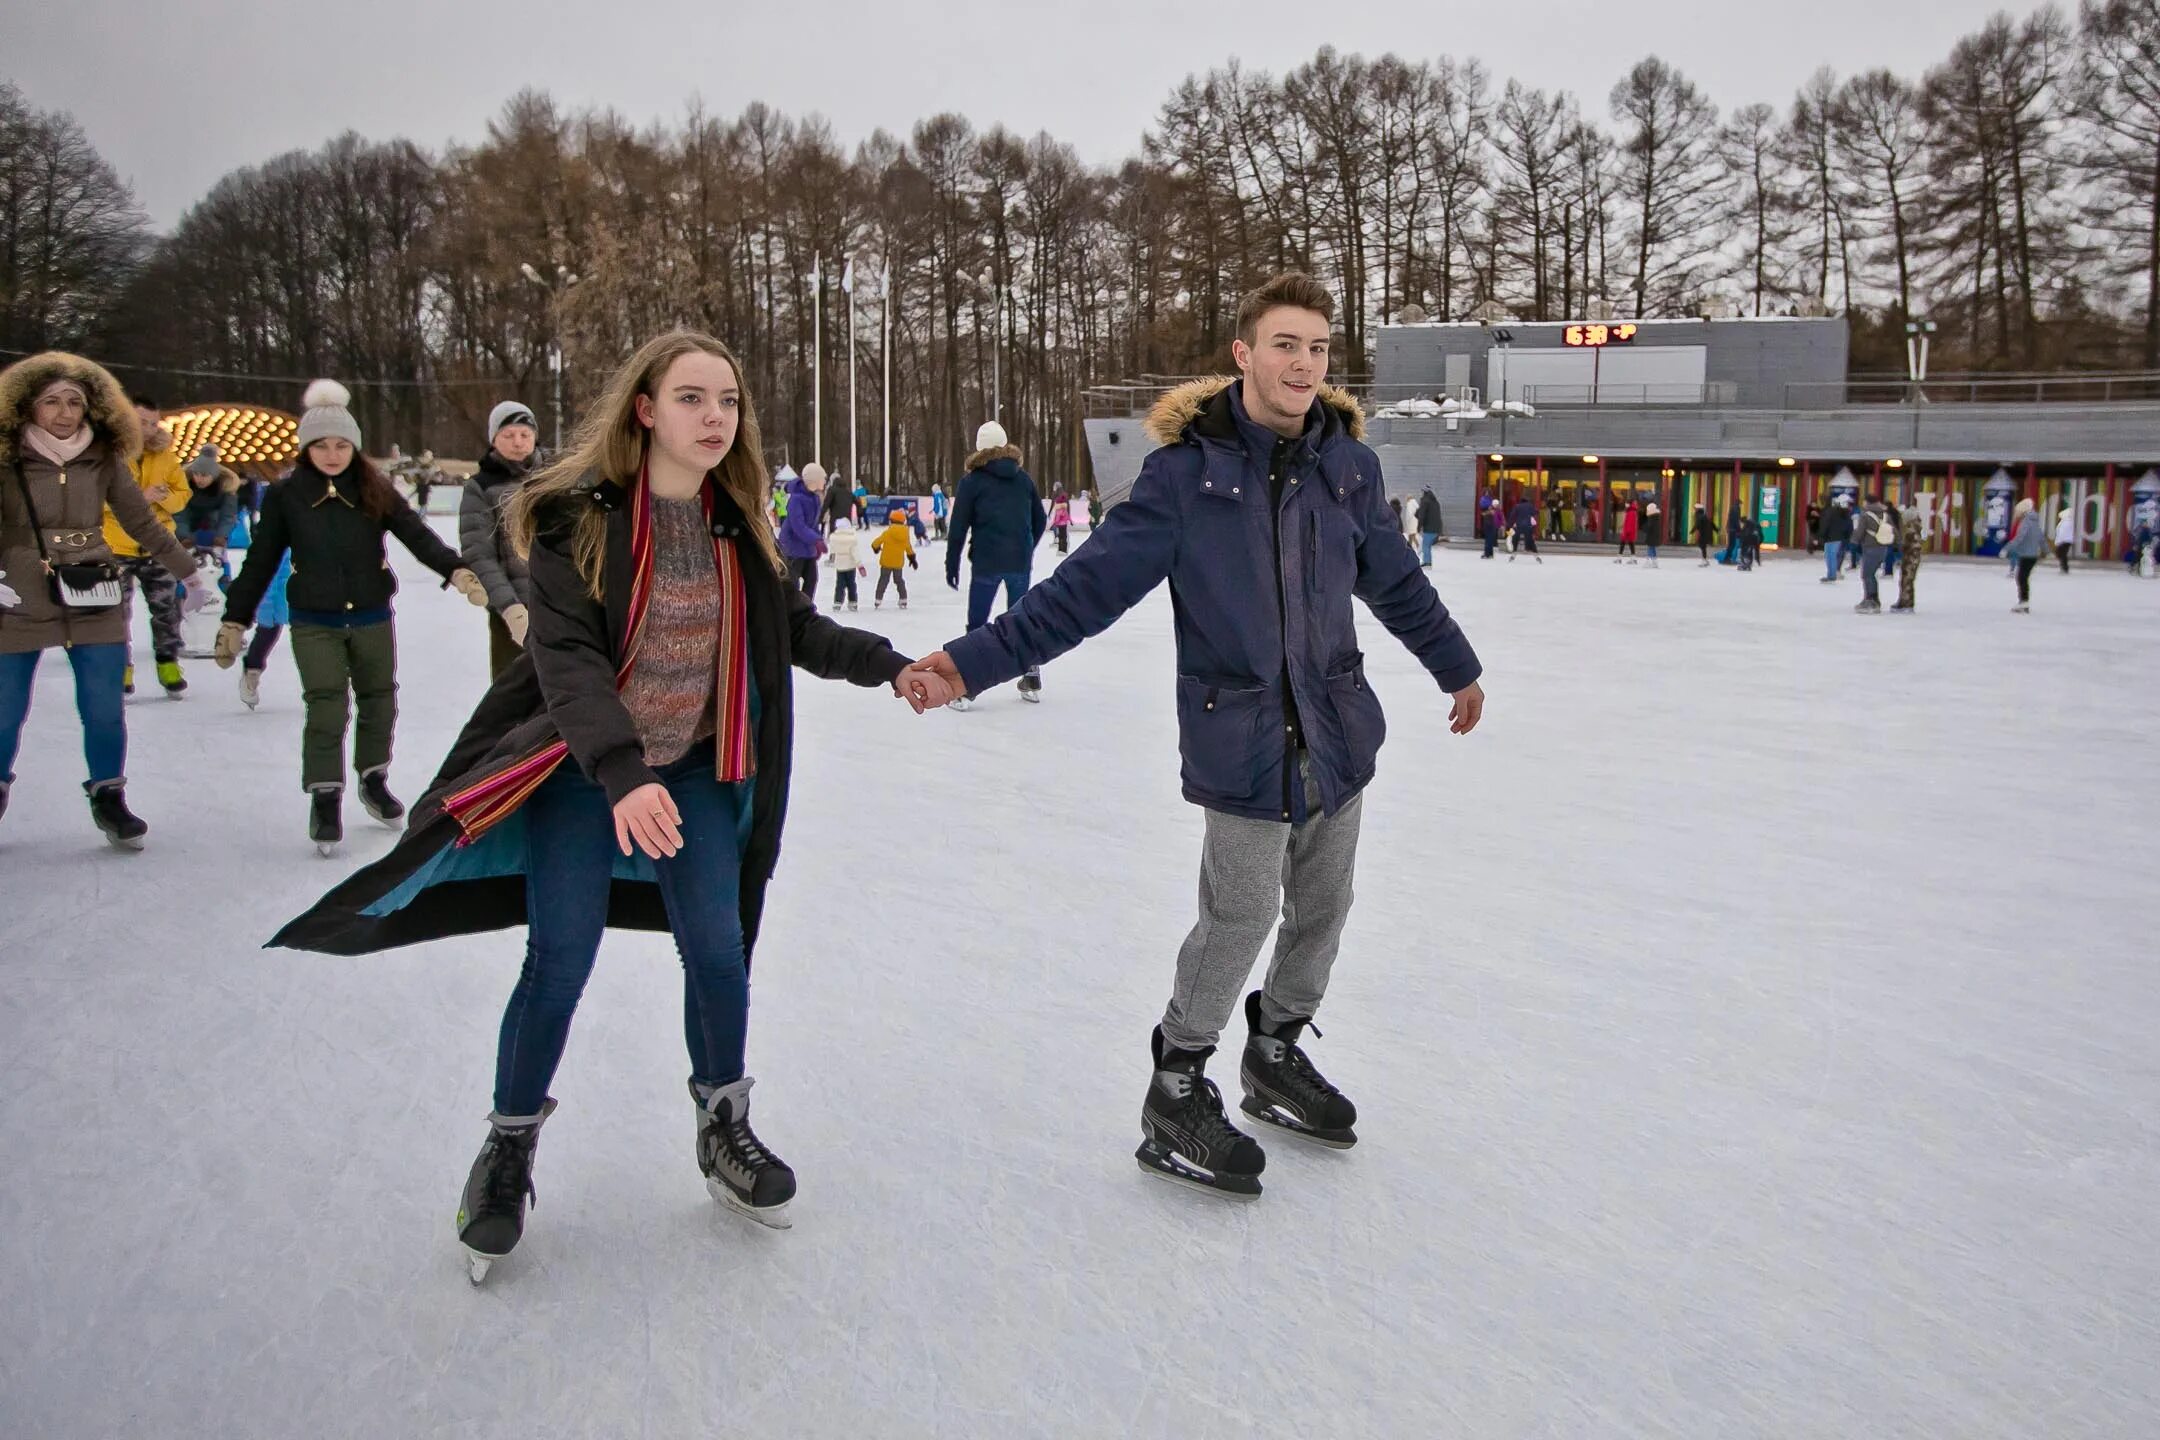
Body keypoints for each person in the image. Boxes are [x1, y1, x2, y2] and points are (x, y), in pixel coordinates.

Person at [266, 331, 953, 1279]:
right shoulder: (574, 522)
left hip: (700, 772)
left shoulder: (734, 521)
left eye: (727, 401)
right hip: (585, 773)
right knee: (560, 957)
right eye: (691, 399)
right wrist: (623, 773)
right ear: (645, 408)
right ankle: (507, 1147)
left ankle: (723, 1123)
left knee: (719, 948)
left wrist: (888, 665)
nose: (715, 418)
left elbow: (787, 626)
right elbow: (570, 666)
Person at [908, 272, 1485, 1200]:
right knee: (1240, 915)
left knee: (1325, 907)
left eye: (1319, 348)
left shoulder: (1348, 466)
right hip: (1245, 738)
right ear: (1244, 355)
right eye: (1285, 344)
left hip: (1336, 729)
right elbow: (1082, 593)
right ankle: (1176, 1084)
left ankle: (1276, 1053)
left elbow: (1396, 582)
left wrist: (1454, 662)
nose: (1304, 363)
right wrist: (970, 663)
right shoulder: (1187, 476)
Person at [213, 380, 489, 849]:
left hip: (371, 614)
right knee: (326, 704)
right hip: (313, 619)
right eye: (321, 445)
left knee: (379, 699)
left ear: (355, 447)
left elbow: (415, 534)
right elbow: (260, 560)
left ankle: (373, 776)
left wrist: (457, 571)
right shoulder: (286, 497)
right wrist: (235, 619)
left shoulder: (373, 488)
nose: (332, 454)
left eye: (342, 445)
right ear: (306, 449)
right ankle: (325, 794)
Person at [0, 353, 219, 844]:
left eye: (74, 401)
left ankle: (109, 796)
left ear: (92, 407)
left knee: (103, 706)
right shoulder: (6, 455)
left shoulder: (102, 457)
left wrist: (192, 577)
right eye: (51, 401)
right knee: (5, 710)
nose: (64, 412)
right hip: (18, 589)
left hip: (90, 585)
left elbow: (141, 521)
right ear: (26, 407)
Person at [945, 420, 1047, 706]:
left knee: (978, 622)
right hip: (1018, 562)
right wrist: (1026, 546)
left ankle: (967, 686)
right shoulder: (1023, 478)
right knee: (1021, 619)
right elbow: (1040, 520)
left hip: (987, 562)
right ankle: (1031, 676)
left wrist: (951, 564)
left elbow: (958, 527)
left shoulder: (972, 482)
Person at [105, 393, 191, 696]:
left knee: (166, 608)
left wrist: (165, 497)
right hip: (117, 545)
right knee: (117, 613)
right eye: (141, 422)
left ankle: (168, 662)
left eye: (153, 423)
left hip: (158, 545)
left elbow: (182, 497)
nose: (148, 429)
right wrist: (139, 499)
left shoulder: (166, 457)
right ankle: (122, 669)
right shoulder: (107, 454)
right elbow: (92, 500)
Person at [460, 401, 541, 679]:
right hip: (512, 611)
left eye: (525, 435)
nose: (518, 442)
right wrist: (509, 607)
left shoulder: (554, 478)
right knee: (512, 692)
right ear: (494, 439)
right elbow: (479, 553)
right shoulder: (480, 487)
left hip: (559, 606)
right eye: (509, 435)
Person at [775, 462, 826, 600]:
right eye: (823, 478)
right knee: (793, 582)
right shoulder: (796, 499)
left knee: (812, 580)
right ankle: (791, 610)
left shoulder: (814, 498)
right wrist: (815, 540)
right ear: (813, 480)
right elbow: (798, 526)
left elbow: (813, 524)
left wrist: (818, 540)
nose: (825, 481)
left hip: (806, 548)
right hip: (792, 548)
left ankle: (806, 609)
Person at [181, 444, 240, 562]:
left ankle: (224, 572)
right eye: (196, 474)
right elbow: (178, 513)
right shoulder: (183, 488)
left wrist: (220, 537)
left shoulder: (226, 489)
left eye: (204, 475)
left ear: (213, 476)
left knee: (219, 558)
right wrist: (184, 537)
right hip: (188, 529)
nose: (199, 479)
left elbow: (228, 516)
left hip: (214, 527)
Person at [1854, 494, 1895, 614]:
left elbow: (1860, 531)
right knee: (1871, 574)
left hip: (1870, 547)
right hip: (1883, 548)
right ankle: (1874, 599)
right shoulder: (1885, 514)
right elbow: (1893, 530)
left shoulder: (1865, 515)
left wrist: (1854, 541)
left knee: (1867, 574)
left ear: (1867, 502)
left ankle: (1870, 600)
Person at [2005, 497, 2044, 613]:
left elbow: (2020, 537)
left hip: (2027, 554)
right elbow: (2041, 538)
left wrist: (2007, 548)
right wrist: (2047, 551)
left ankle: (2023, 602)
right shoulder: (2034, 521)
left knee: (2021, 578)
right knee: (2022, 577)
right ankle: (2024, 602)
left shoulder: (2026, 522)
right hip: (2031, 555)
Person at [872, 508, 917, 608]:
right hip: (898, 563)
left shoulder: (887, 533)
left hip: (886, 562)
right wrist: (912, 558)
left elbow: (875, 543)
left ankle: (878, 599)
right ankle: (903, 599)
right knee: (899, 580)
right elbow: (908, 547)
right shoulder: (905, 534)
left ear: (891, 521)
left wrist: (876, 548)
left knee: (883, 580)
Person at [1890, 509, 1925, 613]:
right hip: (1911, 557)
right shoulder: (1917, 527)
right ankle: (1904, 601)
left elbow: (1910, 544)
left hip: (1910, 557)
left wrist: (1901, 547)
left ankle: (1906, 603)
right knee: (1906, 580)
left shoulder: (1911, 528)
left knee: (1906, 581)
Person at [828, 517, 863, 610]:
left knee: (840, 584)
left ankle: (837, 602)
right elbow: (855, 553)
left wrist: (832, 558)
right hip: (851, 566)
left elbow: (832, 550)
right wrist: (860, 565)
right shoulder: (852, 539)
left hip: (840, 565)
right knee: (851, 584)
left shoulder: (834, 538)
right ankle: (852, 602)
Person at [1818, 495, 1854, 581]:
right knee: (1836, 556)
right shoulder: (1846, 513)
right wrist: (1848, 536)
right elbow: (1850, 526)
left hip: (1830, 537)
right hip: (1841, 538)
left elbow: (1825, 524)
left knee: (1830, 557)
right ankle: (1834, 573)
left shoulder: (1830, 512)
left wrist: (1821, 535)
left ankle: (1831, 575)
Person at [1507, 494, 1542, 563]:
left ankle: (1513, 554)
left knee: (1515, 539)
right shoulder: (1530, 506)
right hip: (1528, 526)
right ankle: (1536, 556)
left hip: (1519, 526)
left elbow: (1512, 515)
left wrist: (1510, 525)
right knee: (1531, 541)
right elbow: (1536, 512)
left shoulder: (1517, 506)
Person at [1415, 485, 1444, 567]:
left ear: (1424, 492)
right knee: (1427, 545)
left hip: (1429, 528)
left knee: (1425, 545)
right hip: (1436, 527)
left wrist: (1418, 527)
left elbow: (1422, 515)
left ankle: (1427, 562)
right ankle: (1427, 561)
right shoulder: (1435, 502)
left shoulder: (1425, 501)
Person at [1614, 498, 1640, 563]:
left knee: (1624, 544)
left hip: (1628, 531)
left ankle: (1619, 558)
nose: (1626, 504)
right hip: (1629, 531)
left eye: (1627, 503)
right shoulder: (1631, 511)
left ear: (1630, 504)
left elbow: (1630, 523)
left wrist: (1626, 532)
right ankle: (1633, 559)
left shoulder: (1631, 512)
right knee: (1631, 544)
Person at [1693, 501, 1716, 566]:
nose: (1694, 509)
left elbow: (1697, 524)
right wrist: (1716, 529)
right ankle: (1705, 560)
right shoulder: (1703, 515)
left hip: (1704, 534)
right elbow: (1711, 523)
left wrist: (1693, 530)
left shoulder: (1699, 515)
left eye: (1695, 508)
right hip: (1705, 533)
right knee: (1702, 546)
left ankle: (1704, 560)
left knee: (1702, 546)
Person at [2054, 504, 2075, 574]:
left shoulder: (2065, 522)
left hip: (2064, 541)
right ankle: (2064, 567)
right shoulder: (2067, 522)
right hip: (2066, 540)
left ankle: (2064, 568)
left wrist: (2058, 541)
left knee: (2061, 554)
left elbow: (2062, 533)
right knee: (2062, 554)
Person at [1642, 501, 1663, 568]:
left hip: (1651, 535)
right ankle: (1655, 562)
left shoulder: (1652, 517)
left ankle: (1648, 561)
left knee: (1650, 548)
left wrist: (1644, 528)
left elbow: (1649, 526)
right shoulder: (1656, 516)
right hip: (1655, 535)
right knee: (1652, 548)